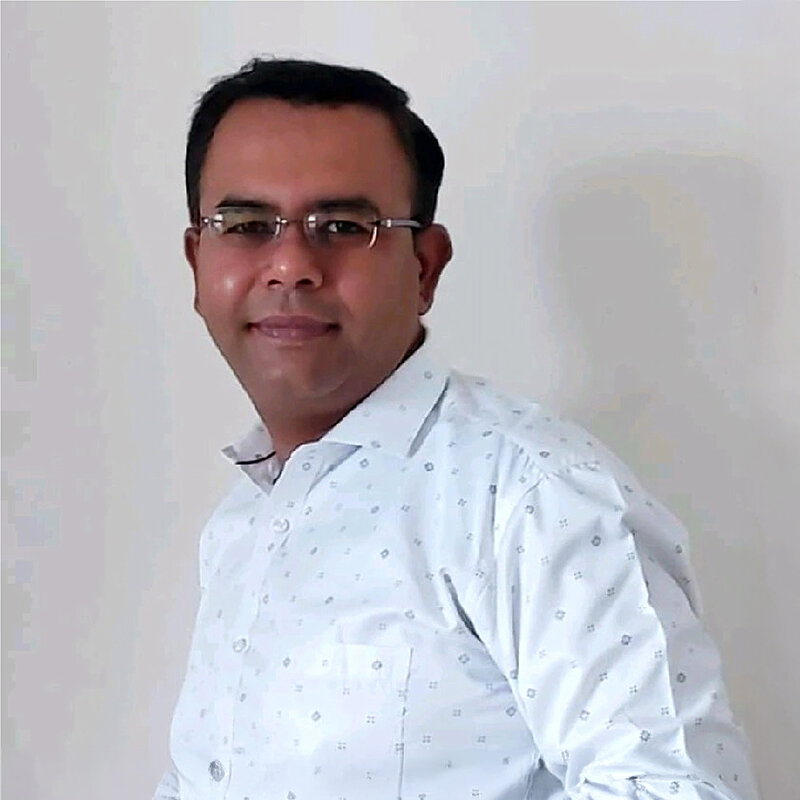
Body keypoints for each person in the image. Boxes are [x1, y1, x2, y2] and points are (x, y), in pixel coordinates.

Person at [154, 58, 758, 800]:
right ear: (198, 260)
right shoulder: (242, 522)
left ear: (425, 267)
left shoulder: (534, 500)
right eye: (247, 226)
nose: (290, 266)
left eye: (342, 226)